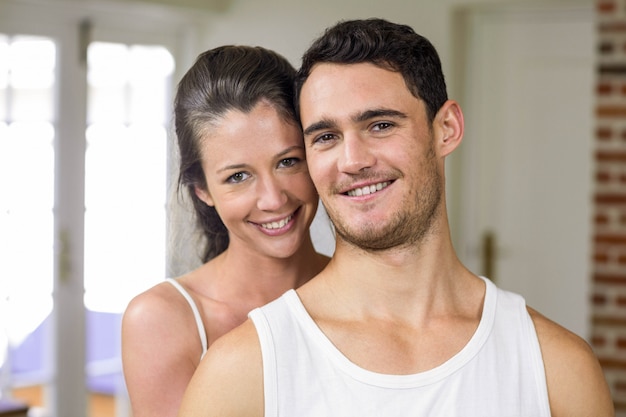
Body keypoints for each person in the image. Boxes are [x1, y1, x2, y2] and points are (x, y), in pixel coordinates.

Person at [177, 19, 614, 417]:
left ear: (446, 129)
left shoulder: (557, 368)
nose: (352, 160)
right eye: (326, 136)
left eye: (381, 125)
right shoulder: (242, 372)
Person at [121, 45, 330, 417]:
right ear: (202, 189)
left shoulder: (366, 293)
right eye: (238, 176)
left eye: (288, 161)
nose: (272, 198)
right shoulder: (163, 320)